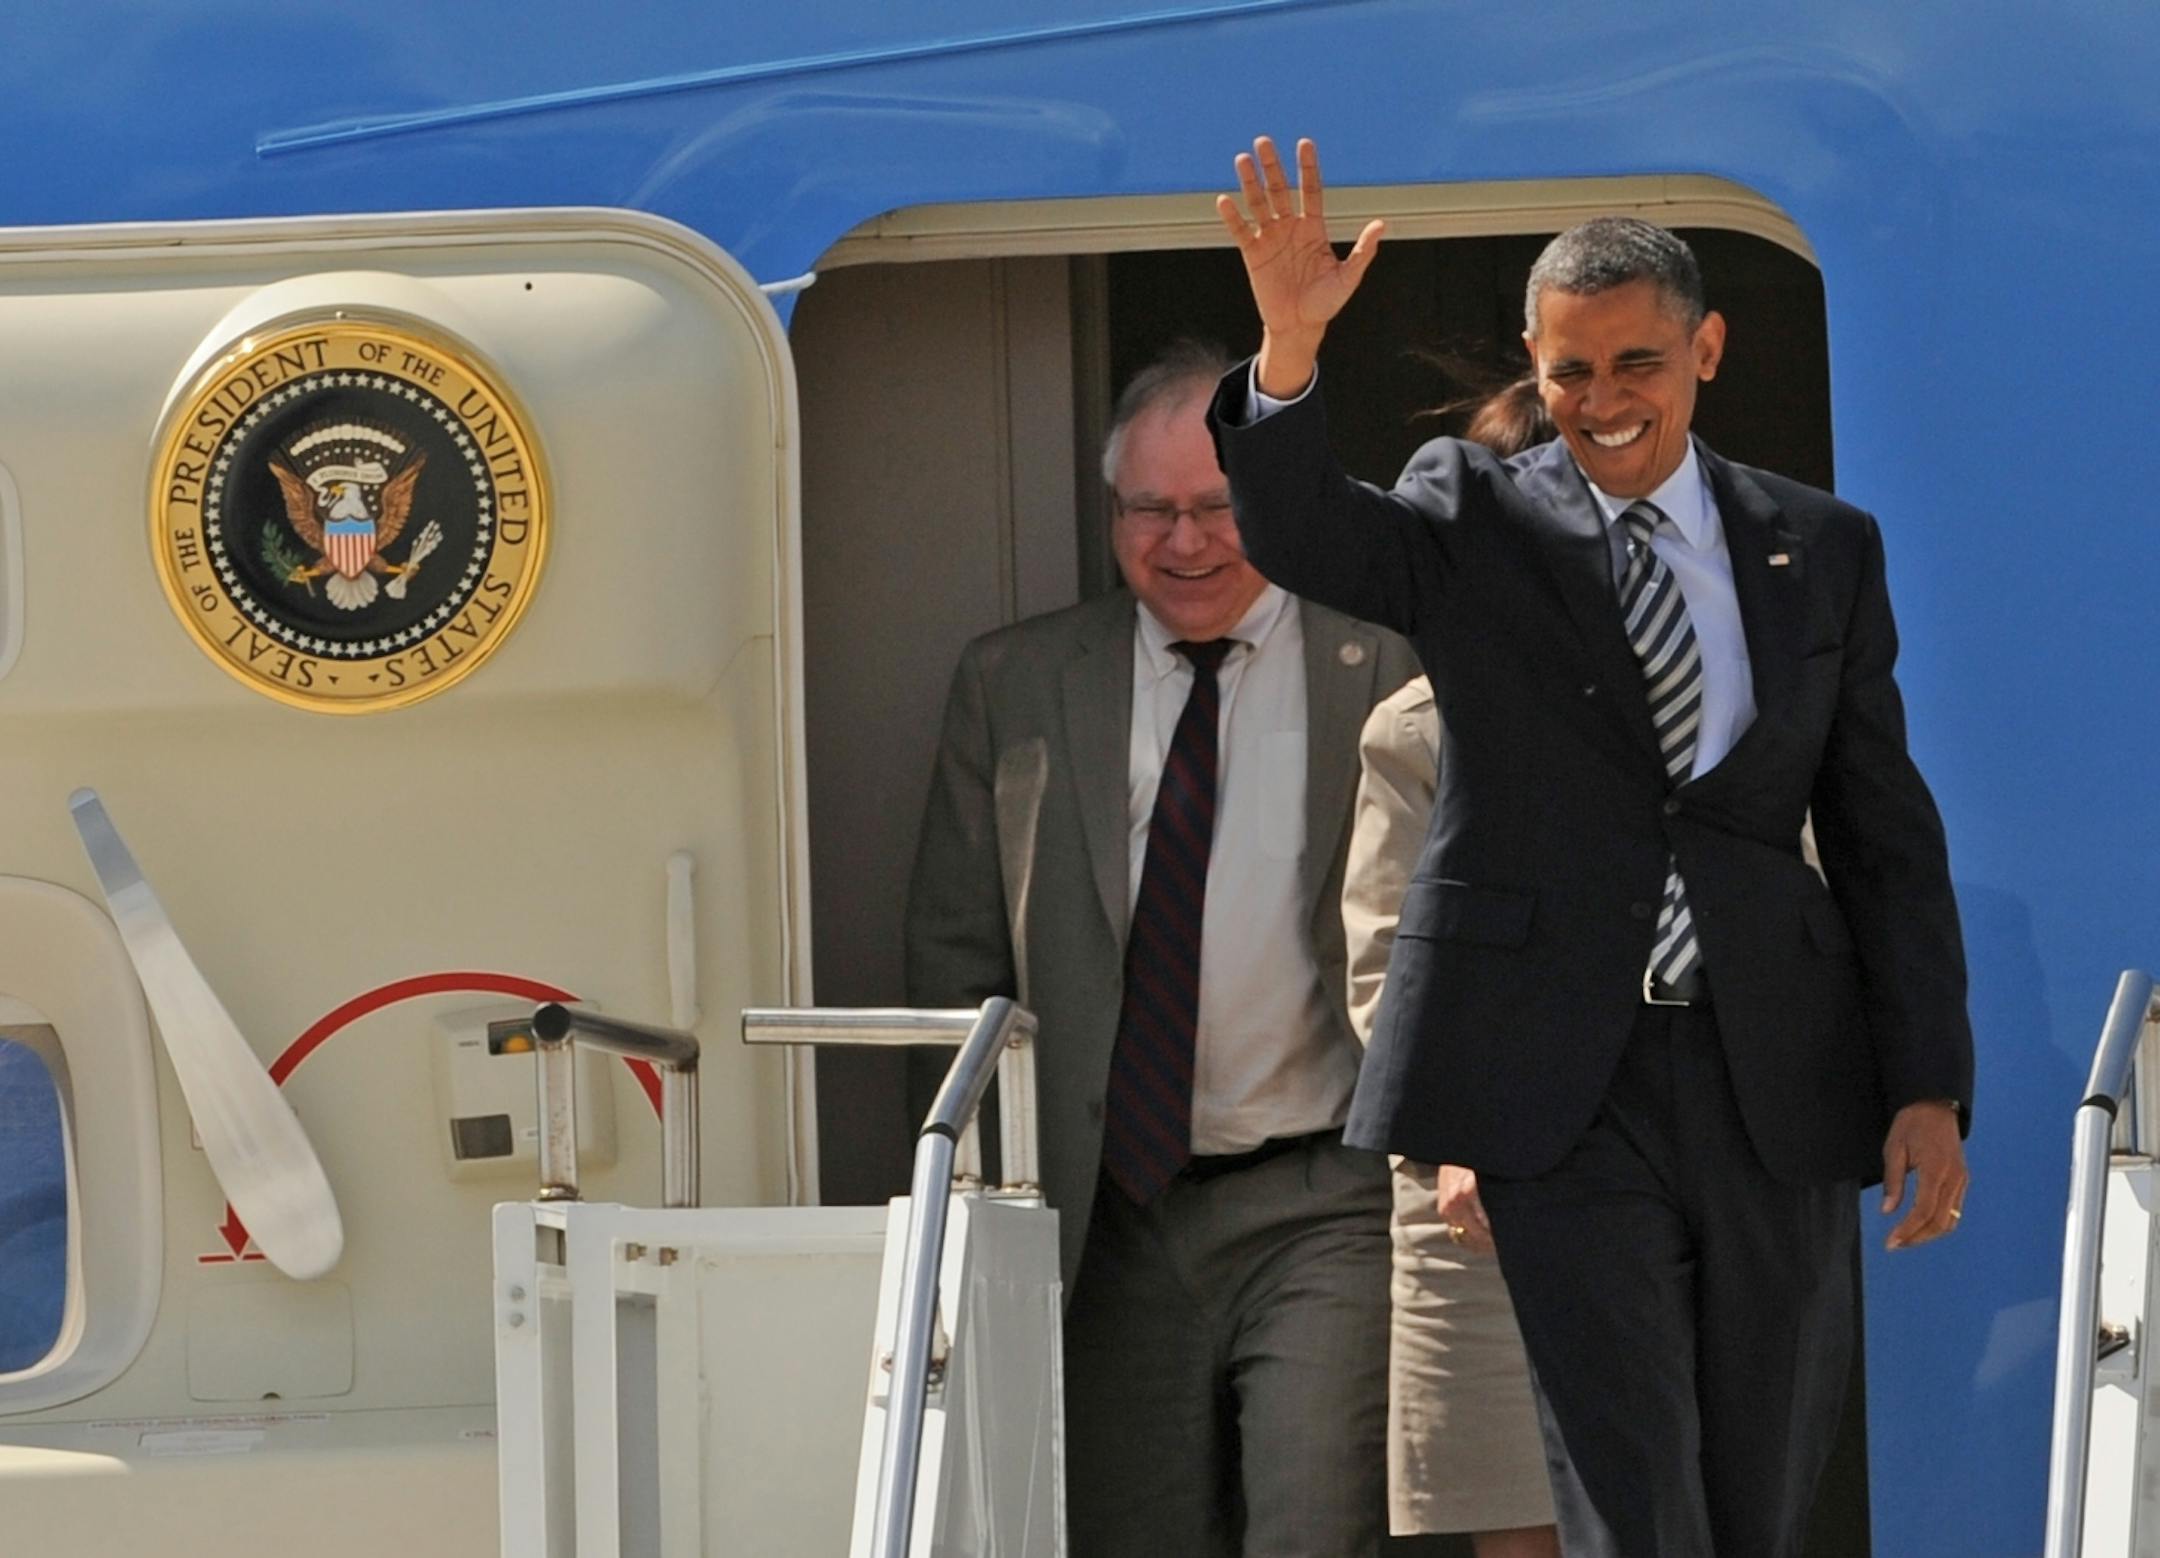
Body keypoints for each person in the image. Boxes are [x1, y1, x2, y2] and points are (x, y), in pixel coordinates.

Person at [1208, 137, 1973, 1558]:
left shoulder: (1825, 546)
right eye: (1570, 372)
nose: (1602, 403)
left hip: (1774, 1077)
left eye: (1636, 365)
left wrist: (1926, 1078)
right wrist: (1289, 353)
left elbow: (1882, 831)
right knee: (1629, 1494)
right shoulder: (1476, 514)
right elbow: (1312, 532)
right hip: (1567, 1085)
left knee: (1758, 1493)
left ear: (1706, 351)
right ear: (1533, 361)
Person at [905, 339, 1418, 1557]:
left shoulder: (1385, 659)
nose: (1184, 542)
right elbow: (954, 961)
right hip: (1109, 1217)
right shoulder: (1017, 681)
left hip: (1324, 1198)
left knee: (1314, 1528)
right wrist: (982, 1207)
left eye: (1217, 507)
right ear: (1111, 510)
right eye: (1152, 510)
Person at [1342, 373, 1561, 1558]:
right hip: (1470, 1191)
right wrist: (1468, 1125)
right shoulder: (1412, 731)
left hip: (1661, 1167)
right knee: (1513, 1526)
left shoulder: (1713, 699)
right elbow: (1385, 971)